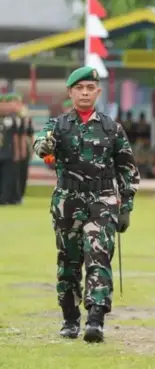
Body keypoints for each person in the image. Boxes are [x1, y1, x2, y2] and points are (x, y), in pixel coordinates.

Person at [33, 66, 140, 343]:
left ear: (98, 92)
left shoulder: (111, 128)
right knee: (69, 261)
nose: (84, 93)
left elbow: (127, 169)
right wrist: (45, 146)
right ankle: (70, 318)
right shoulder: (57, 125)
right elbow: (41, 146)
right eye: (79, 88)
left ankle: (96, 319)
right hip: (68, 201)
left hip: (102, 201)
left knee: (99, 255)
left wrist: (126, 206)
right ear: (70, 92)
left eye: (89, 88)